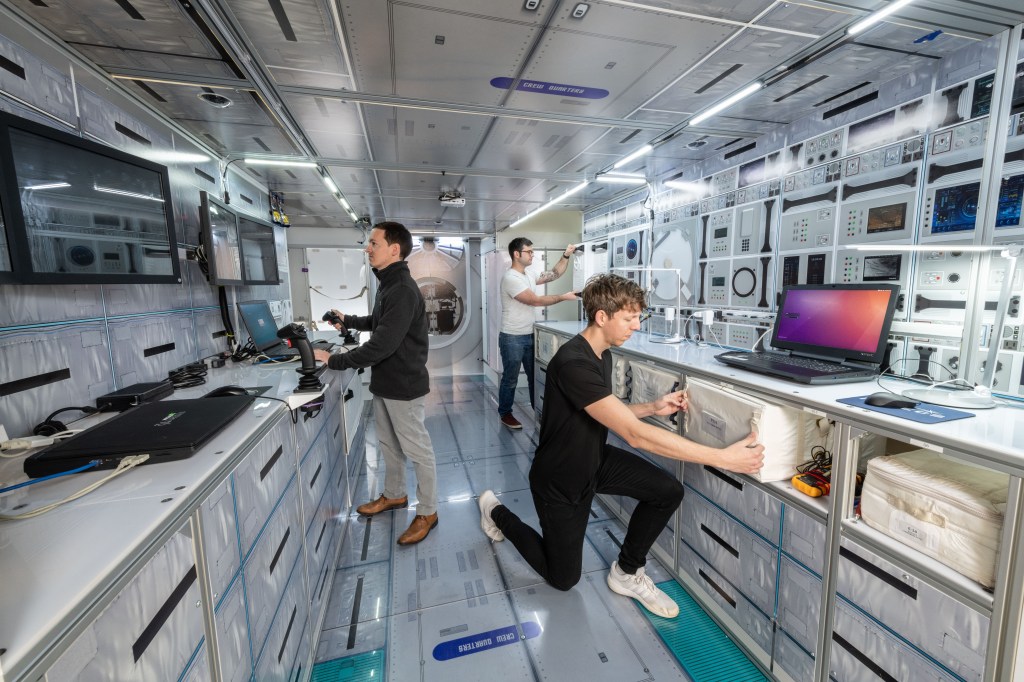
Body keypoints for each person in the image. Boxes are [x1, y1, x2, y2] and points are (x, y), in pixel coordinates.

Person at [478, 273, 765, 617]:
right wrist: (723, 458)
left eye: (638, 317)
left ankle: (627, 572)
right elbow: (634, 435)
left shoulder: (603, 353)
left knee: (667, 491)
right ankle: (495, 511)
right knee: (563, 577)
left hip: (595, 460)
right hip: (561, 478)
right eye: (629, 318)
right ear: (602, 317)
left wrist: (652, 408)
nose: (636, 326)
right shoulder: (573, 362)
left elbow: (606, 410)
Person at [314, 221, 439, 546]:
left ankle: (428, 511)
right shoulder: (388, 285)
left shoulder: (401, 289)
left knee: (417, 450)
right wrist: (349, 320)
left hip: (404, 385)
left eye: (374, 243)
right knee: (389, 446)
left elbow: (383, 343)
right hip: (386, 382)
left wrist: (333, 360)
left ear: (394, 249)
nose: (367, 249)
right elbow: (378, 322)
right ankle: (395, 495)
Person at [498, 238, 578, 429]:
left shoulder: (529, 274)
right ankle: (505, 413)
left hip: (529, 334)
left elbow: (554, 274)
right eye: (529, 252)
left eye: (533, 251)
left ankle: (540, 411)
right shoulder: (511, 278)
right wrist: (563, 297)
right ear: (517, 254)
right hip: (512, 337)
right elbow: (534, 301)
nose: (532, 254)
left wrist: (566, 254)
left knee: (535, 377)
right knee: (511, 378)